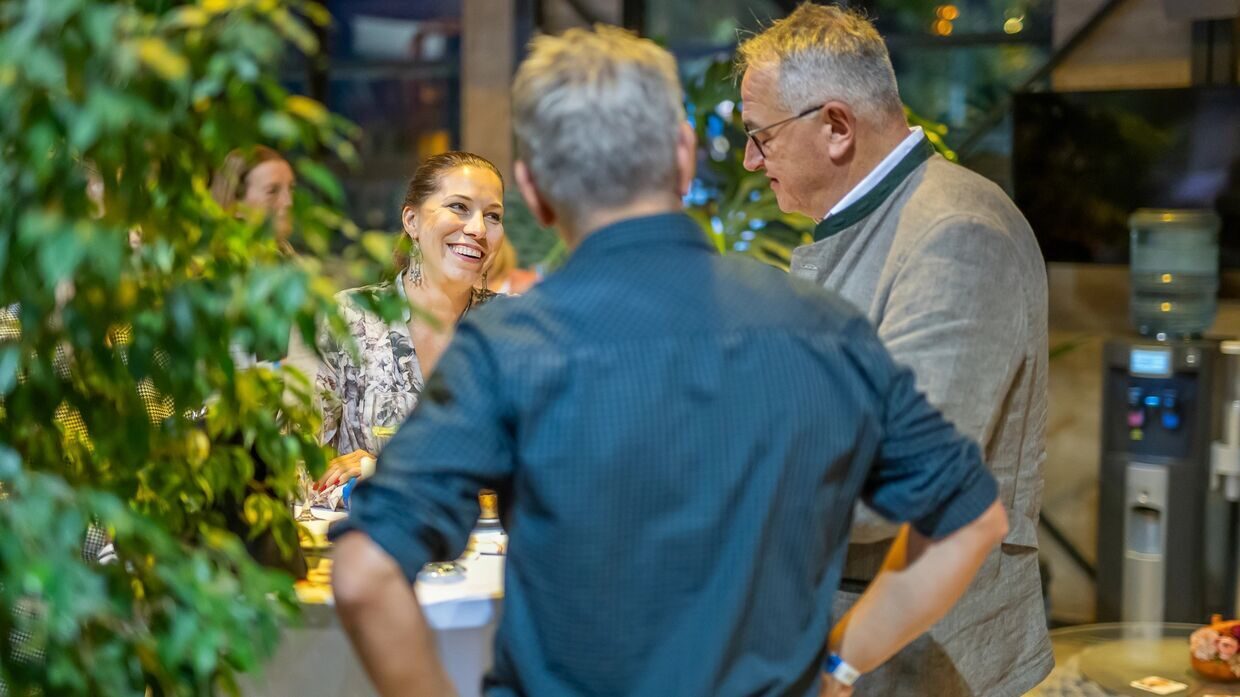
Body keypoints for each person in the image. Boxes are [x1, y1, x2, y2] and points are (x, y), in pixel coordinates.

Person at [330, 25, 1009, 697]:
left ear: (533, 190)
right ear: (684, 157)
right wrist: (839, 666)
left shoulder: (508, 347)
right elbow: (972, 518)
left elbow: (364, 572)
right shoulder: (822, 327)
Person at [737, 5, 1052, 695]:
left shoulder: (956, 232)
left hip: (919, 661)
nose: (750, 159)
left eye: (761, 136)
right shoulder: (876, 221)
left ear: (836, 126)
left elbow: (892, 483)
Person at [315, 152, 504, 490]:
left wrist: (384, 469)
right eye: (459, 207)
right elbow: (301, 466)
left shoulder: (514, 326)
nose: (478, 229)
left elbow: (545, 466)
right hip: (364, 524)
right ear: (411, 220)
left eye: (493, 216)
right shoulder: (350, 318)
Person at [210, 145, 296, 254]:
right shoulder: (223, 260)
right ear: (236, 205)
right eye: (272, 191)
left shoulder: (285, 255)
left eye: (291, 189)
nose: (288, 202)